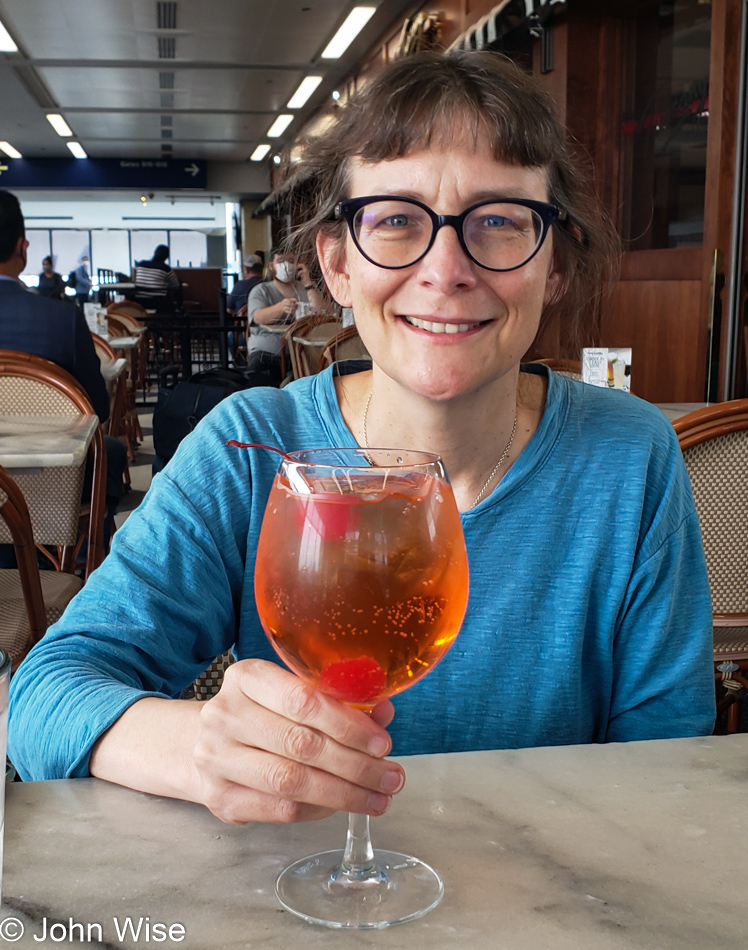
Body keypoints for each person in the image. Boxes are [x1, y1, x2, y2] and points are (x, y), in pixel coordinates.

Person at [8, 52, 715, 826]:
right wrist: (198, 745)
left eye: (501, 222)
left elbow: (669, 763)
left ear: (555, 268)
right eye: (397, 221)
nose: (446, 270)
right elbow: (43, 697)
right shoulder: (252, 450)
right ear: (337, 265)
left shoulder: (633, 457)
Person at [0, 191, 127, 555]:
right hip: (52, 487)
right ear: (23, 247)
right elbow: (97, 410)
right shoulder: (61, 319)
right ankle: (83, 559)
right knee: (111, 451)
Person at [245, 248, 327, 386]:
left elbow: (324, 312)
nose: (287, 265)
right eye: (281, 261)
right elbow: (258, 317)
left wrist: (308, 283)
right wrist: (281, 307)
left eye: (291, 261)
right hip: (268, 353)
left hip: (303, 352)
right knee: (260, 378)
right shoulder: (261, 291)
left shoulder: (304, 289)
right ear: (271, 266)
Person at [132, 244, 182, 313]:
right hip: (157, 302)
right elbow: (176, 286)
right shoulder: (166, 269)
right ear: (166, 257)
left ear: (154, 253)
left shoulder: (141, 264)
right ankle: (178, 313)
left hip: (139, 301)